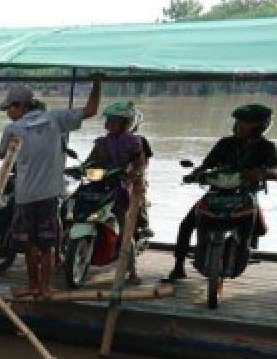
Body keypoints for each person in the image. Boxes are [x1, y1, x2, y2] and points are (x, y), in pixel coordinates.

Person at [0, 76, 103, 298]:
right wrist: (97, 84)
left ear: (20, 106)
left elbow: (2, 154)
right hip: (49, 195)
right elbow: (91, 110)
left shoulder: (13, 129)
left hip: (25, 196)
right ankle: (45, 287)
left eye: (9, 108)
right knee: (47, 245)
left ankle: (33, 285)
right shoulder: (55, 119)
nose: (8, 113)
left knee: (29, 245)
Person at [164, 103, 277, 282]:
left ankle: (244, 251)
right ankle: (178, 266)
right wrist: (195, 173)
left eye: (244, 123)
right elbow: (207, 163)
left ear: (259, 127)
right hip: (217, 192)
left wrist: (262, 173)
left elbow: (274, 168)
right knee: (186, 224)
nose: (238, 126)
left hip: (245, 193)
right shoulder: (225, 143)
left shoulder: (267, 148)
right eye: (238, 122)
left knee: (260, 229)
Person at [85, 101, 152, 284]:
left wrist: (131, 175)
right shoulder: (102, 142)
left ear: (126, 123)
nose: (110, 124)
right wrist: (82, 168)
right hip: (103, 183)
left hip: (124, 187)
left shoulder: (135, 142)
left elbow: (141, 164)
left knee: (125, 228)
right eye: (109, 120)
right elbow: (91, 161)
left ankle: (132, 270)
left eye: (115, 121)